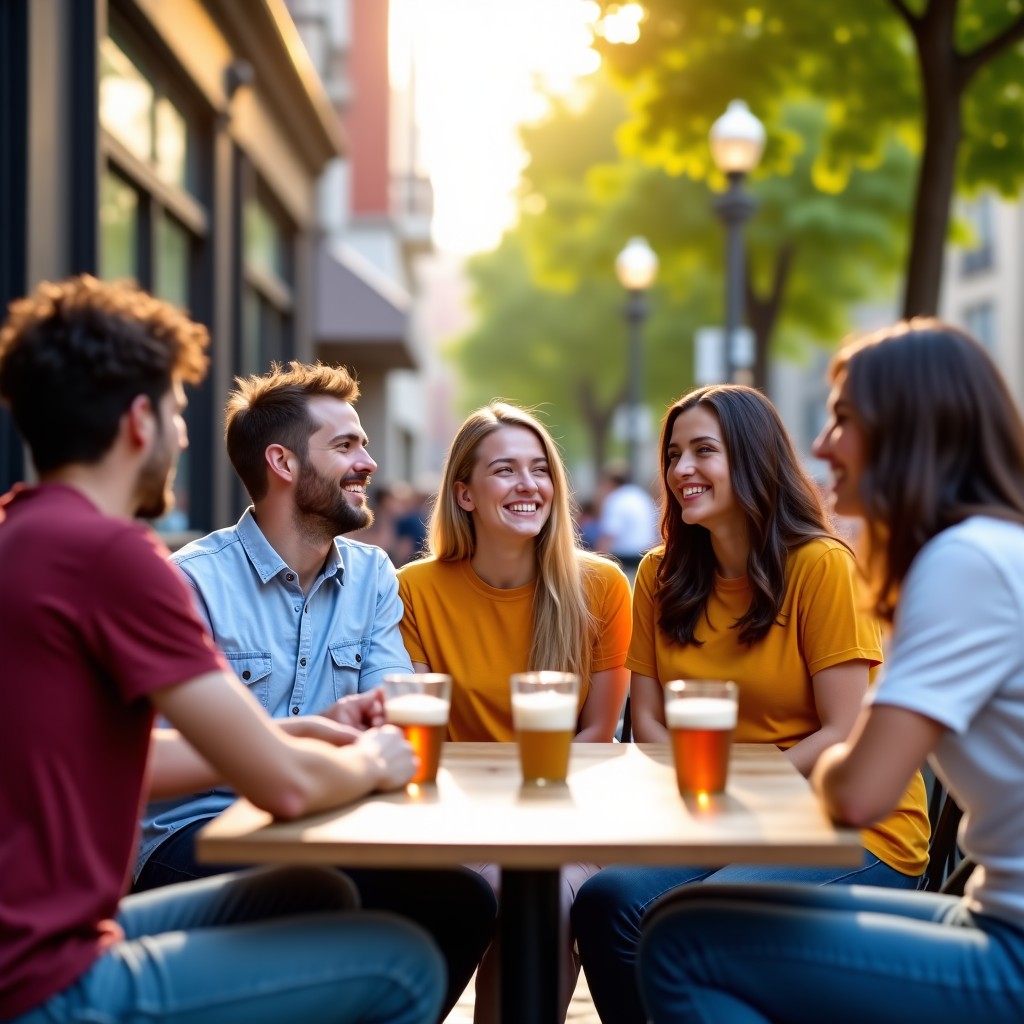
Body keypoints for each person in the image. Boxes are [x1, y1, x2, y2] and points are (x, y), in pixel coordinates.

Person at [0, 275, 443, 1024]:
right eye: (176, 412)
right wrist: (373, 759)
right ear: (139, 419)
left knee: (315, 894)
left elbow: (113, 760)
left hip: (49, 942)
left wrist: (284, 730)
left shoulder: (23, 534)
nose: (182, 436)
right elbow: (287, 791)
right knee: (404, 966)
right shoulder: (113, 557)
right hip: (46, 980)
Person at [637, 319, 1024, 1023]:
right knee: (657, 914)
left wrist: (802, 760)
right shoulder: (989, 550)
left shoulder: (961, 564)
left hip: (1009, 949)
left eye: (843, 419)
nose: (819, 445)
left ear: (912, 429)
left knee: (684, 939)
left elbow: (858, 793)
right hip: (984, 914)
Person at [134, 360, 496, 1018]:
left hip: (330, 820)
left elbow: (392, 717)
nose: (369, 462)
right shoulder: (192, 583)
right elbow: (151, 750)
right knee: (327, 893)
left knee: (463, 897)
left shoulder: (372, 576)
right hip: (194, 833)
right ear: (283, 462)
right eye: (347, 444)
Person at [572, 383, 930, 1024]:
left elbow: (844, 730)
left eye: (702, 452)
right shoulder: (660, 573)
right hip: (721, 821)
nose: (682, 470)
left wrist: (732, 788)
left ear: (753, 458)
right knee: (606, 900)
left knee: (694, 921)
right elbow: (648, 720)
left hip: (850, 829)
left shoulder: (821, 566)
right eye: (674, 455)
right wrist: (711, 797)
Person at [397, 401, 632, 1023]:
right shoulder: (414, 589)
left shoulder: (602, 585)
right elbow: (426, 735)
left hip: (570, 813)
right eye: (505, 470)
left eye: (540, 469)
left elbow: (598, 732)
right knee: (496, 883)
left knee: (546, 900)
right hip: (458, 819)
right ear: (465, 494)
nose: (529, 486)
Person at [594, 460, 658, 576]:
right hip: (646, 557)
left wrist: (594, 562)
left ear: (611, 482)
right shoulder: (641, 495)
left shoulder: (616, 499)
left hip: (624, 560)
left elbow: (609, 535)